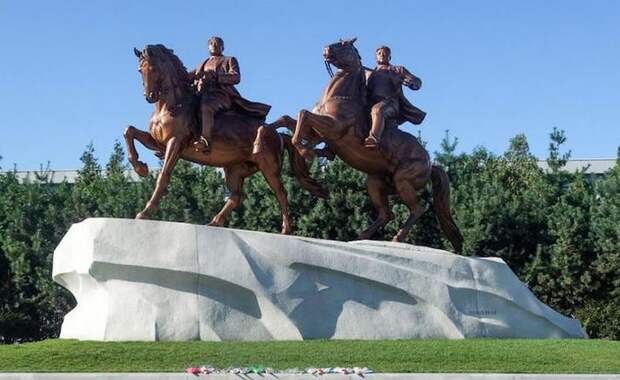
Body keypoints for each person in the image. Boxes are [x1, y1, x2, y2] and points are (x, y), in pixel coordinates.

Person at [191, 36, 271, 153]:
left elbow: (236, 77)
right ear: (208, 47)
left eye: (217, 43)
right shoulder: (201, 64)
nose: (214, 45)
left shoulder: (229, 60)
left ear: (222, 47)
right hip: (201, 94)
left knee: (206, 107)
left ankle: (205, 140)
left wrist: (216, 76)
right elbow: (190, 76)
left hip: (221, 95)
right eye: (211, 43)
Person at [364, 46, 426, 148]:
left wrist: (412, 82)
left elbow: (417, 82)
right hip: (371, 103)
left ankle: (373, 138)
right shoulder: (370, 73)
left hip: (390, 103)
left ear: (390, 57)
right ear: (376, 57)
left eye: (385, 53)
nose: (382, 55)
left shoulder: (398, 70)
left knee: (377, 110)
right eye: (379, 53)